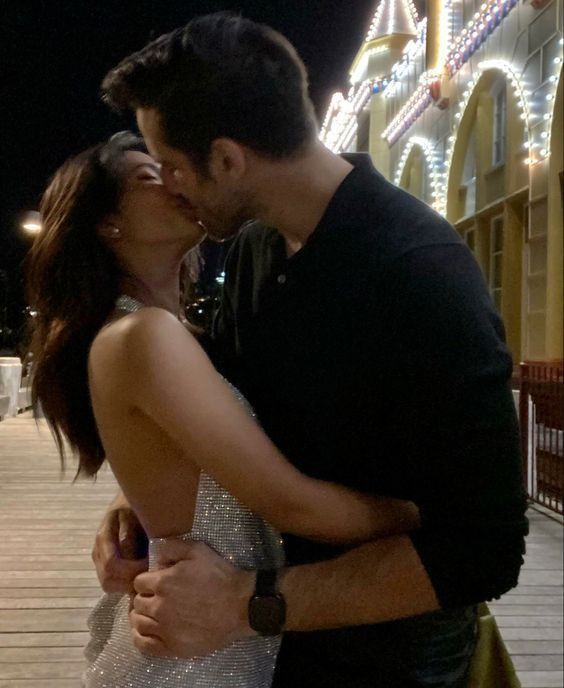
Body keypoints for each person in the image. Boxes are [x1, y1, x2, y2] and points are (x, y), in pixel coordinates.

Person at [94, 11, 529, 688]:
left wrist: (248, 603)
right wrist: (137, 516)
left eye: (175, 166)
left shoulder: (420, 272)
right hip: (273, 638)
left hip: (390, 656)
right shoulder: (254, 250)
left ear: (230, 158)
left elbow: (484, 550)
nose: (170, 184)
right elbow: (240, 421)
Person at [26, 131, 420, 687]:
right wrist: (429, 516)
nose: (174, 181)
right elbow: (289, 503)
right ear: (108, 224)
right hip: (196, 652)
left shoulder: (177, 331)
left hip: (214, 632)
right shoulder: (142, 334)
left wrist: (130, 501)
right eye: (148, 177)